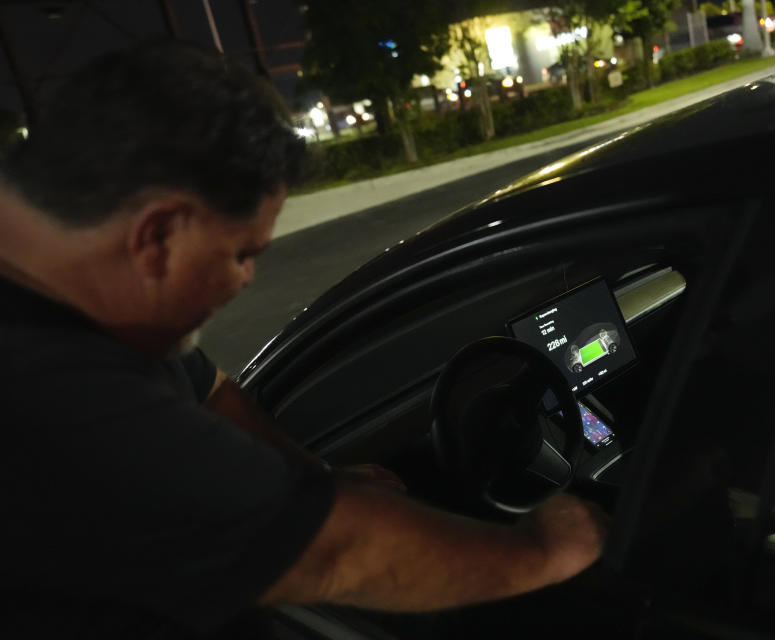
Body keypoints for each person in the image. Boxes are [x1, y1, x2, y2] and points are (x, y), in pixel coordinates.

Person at [0, 42, 607, 638]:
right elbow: (334, 555)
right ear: (158, 235)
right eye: (242, 254)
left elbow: (210, 389)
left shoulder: (86, 303)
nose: (245, 281)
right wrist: (547, 550)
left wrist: (319, 477)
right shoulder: (49, 390)